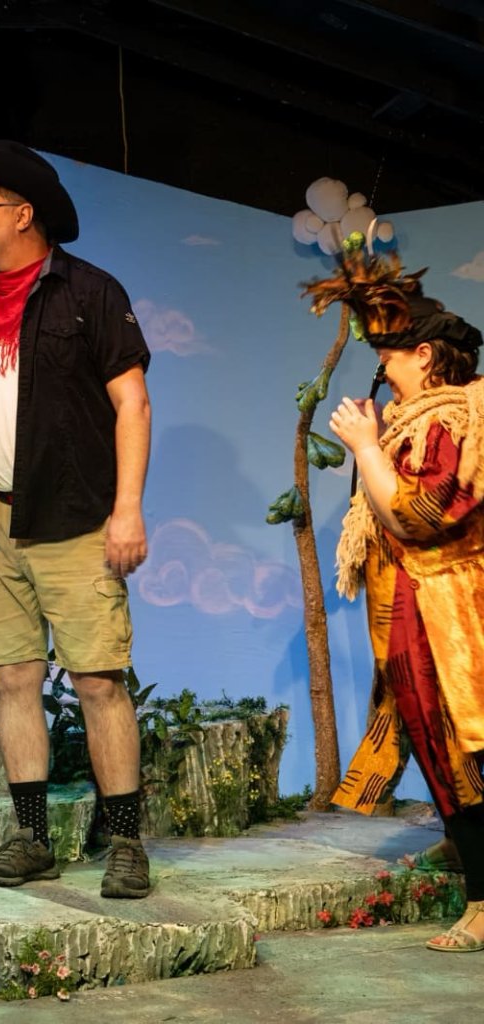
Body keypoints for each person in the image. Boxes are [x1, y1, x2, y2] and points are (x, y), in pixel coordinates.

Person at [0, 140, 153, 898]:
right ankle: (31, 838)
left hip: (78, 519)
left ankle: (124, 843)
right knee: (13, 679)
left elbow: (132, 404)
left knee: (97, 682)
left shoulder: (89, 294)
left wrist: (128, 510)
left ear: (24, 214)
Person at [322, 265, 484, 951]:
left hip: (453, 617)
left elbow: (423, 513)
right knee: (435, 746)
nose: (382, 372)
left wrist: (363, 447)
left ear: (424, 355)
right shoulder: (414, 426)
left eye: (388, 355)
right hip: (416, 614)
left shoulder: (453, 422)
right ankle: (466, 855)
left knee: (466, 753)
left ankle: (483, 900)